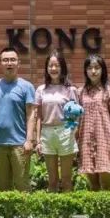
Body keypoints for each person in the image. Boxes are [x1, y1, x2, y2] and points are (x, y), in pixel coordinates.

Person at [0, 48, 37, 192]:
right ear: (0, 63)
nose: (9, 63)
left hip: (20, 144)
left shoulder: (26, 87)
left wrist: (29, 140)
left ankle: (24, 215)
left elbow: (31, 115)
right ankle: (8, 215)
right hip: (0, 144)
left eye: (12, 60)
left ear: (18, 63)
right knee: (3, 186)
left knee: (22, 184)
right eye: (6, 60)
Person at [31, 50, 77, 193]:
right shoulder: (41, 90)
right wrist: (37, 140)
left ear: (62, 67)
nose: (53, 69)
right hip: (47, 133)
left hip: (65, 132)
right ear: (46, 68)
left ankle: (66, 214)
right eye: (50, 65)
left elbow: (76, 115)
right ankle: (53, 214)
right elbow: (38, 116)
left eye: (56, 65)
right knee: (52, 180)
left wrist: (73, 133)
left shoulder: (70, 89)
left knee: (66, 179)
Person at [77, 55, 110, 191]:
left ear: (103, 70)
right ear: (86, 71)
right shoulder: (81, 91)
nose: (93, 71)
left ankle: (109, 212)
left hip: (105, 140)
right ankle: (95, 212)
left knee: (107, 183)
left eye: (97, 68)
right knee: (93, 185)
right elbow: (77, 119)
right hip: (86, 141)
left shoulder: (109, 90)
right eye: (90, 68)